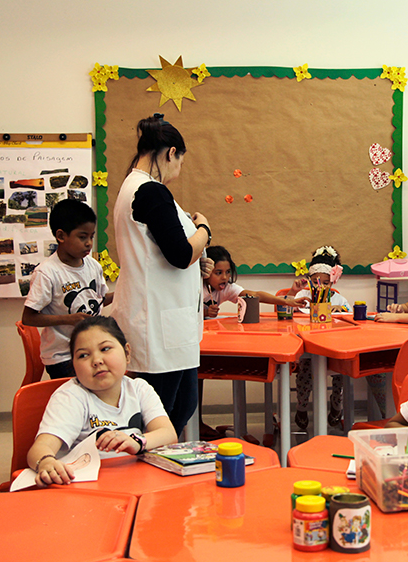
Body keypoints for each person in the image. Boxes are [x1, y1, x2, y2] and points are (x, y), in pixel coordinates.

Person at [111, 114, 212, 438]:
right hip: (157, 327)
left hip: (165, 324)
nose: (177, 172)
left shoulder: (138, 188)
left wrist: (199, 256)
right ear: (170, 153)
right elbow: (181, 254)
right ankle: (146, 482)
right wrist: (204, 230)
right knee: (162, 417)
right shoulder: (150, 191)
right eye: (179, 162)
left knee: (175, 411)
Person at [27, 316, 177, 488]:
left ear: (127, 353)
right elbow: (40, 448)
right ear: (73, 366)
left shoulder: (139, 389)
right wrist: (46, 462)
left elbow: (168, 434)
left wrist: (136, 441)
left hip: (135, 482)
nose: (97, 361)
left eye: (105, 349)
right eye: (83, 355)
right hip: (86, 489)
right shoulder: (71, 397)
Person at [198, 245, 305, 438]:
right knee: (194, 379)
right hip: (188, 342)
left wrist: (285, 301)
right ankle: (192, 424)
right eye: (218, 273)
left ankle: (197, 424)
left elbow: (253, 295)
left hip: (205, 343)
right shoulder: (194, 286)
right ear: (206, 273)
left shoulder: (226, 289)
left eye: (228, 272)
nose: (224, 277)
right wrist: (203, 313)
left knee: (199, 377)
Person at [22, 199, 112, 379]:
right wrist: (69, 319)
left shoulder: (93, 265)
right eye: (82, 237)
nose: (89, 243)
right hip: (62, 357)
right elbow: (28, 318)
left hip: (91, 348)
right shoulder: (47, 273)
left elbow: (99, 298)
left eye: (92, 236)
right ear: (61, 236)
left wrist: (124, 293)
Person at [284, 246, 359, 430]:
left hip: (332, 349)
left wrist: (340, 311)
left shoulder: (338, 300)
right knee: (305, 371)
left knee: (342, 369)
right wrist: (293, 294)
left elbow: (352, 320)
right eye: (315, 281)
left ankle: (336, 404)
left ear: (333, 281)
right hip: (307, 349)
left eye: (325, 282)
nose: (320, 286)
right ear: (309, 280)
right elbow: (284, 311)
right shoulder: (303, 296)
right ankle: (302, 406)